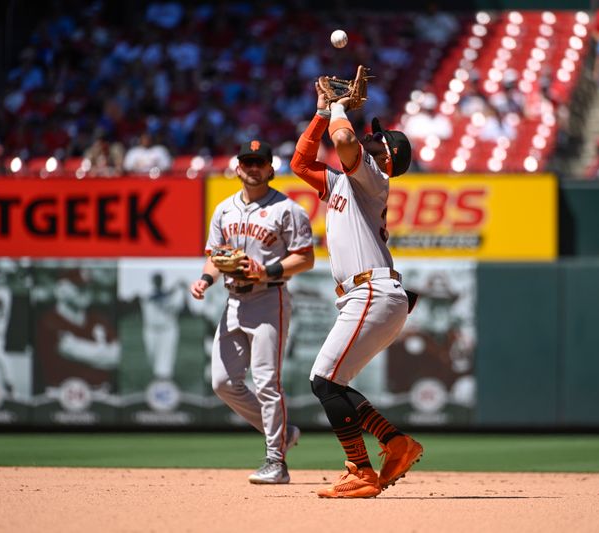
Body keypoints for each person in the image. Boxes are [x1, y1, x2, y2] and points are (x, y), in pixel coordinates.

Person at [289, 82, 423, 498]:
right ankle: (396, 443)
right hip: (369, 295)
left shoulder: (371, 174)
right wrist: (322, 113)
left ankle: (361, 471)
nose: (370, 135)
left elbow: (345, 139)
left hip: (372, 292)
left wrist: (341, 107)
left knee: (324, 382)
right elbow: (299, 162)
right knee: (334, 383)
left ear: (386, 156)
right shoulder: (348, 182)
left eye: (377, 137)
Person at [189, 139, 315, 485]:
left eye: (260, 162)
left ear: (272, 169)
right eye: (248, 161)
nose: (253, 167)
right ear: (238, 168)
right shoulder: (224, 210)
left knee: (266, 383)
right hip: (232, 300)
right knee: (223, 382)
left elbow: (305, 258)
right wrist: (204, 279)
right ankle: (283, 433)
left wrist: (268, 271)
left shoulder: (288, 210)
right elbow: (216, 258)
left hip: (268, 299)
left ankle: (277, 461)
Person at [35, 268, 121, 392]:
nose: (85, 292)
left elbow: (118, 356)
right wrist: (105, 351)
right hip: (62, 395)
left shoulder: (98, 320)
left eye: (88, 287)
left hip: (101, 393)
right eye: (78, 287)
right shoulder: (50, 321)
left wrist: (106, 355)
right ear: (60, 290)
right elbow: (75, 351)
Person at [140, 272, 185, 382]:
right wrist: (176, 286)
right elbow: (156, 297)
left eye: (159, 280)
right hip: (151, 330)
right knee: (152, 355)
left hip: (167, 329)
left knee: (166, 355)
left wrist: (179, 289)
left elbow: (177, 305)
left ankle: (165, 378)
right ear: (153, 281)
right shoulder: (146, 293)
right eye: (156, 279)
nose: (158, 282)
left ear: (162, 281)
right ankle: (158, 375)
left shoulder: (170, 296)